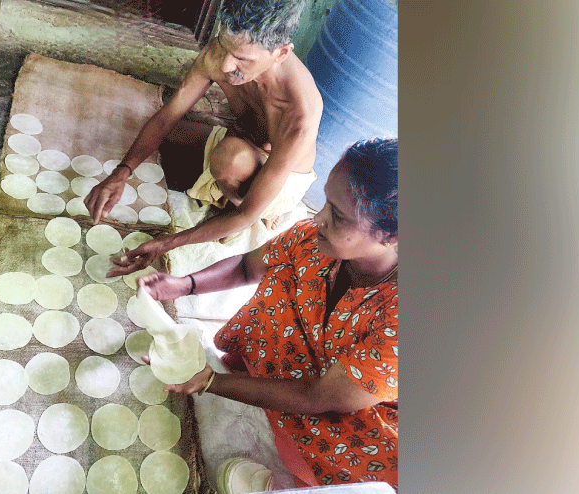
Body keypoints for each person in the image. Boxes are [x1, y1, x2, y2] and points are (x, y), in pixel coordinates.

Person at [138, 138, 399, 491]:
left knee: (357, 469)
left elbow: (316, 398)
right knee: (286, 271)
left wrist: (209, 381)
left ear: (390, 236)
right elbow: (249, 266)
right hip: (311, 363)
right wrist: (185, 285)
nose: (318, 218)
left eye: (337, 216)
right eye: (325, 202)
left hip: (348, 402)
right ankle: (259, 372)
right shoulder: (314, 240)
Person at [85, 0, 322, 277]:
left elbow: (245, 216)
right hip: (243, 141)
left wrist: (166, 243)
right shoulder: (221, 56)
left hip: (283, 176)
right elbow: (166, 117)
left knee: (228, 160)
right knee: (170, 131)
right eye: (224, 45)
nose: (225, 64)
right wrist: (121, 172)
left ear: (281, 53)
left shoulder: (299, 115)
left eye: (242, 60)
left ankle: (257, 209)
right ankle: (229, 189)